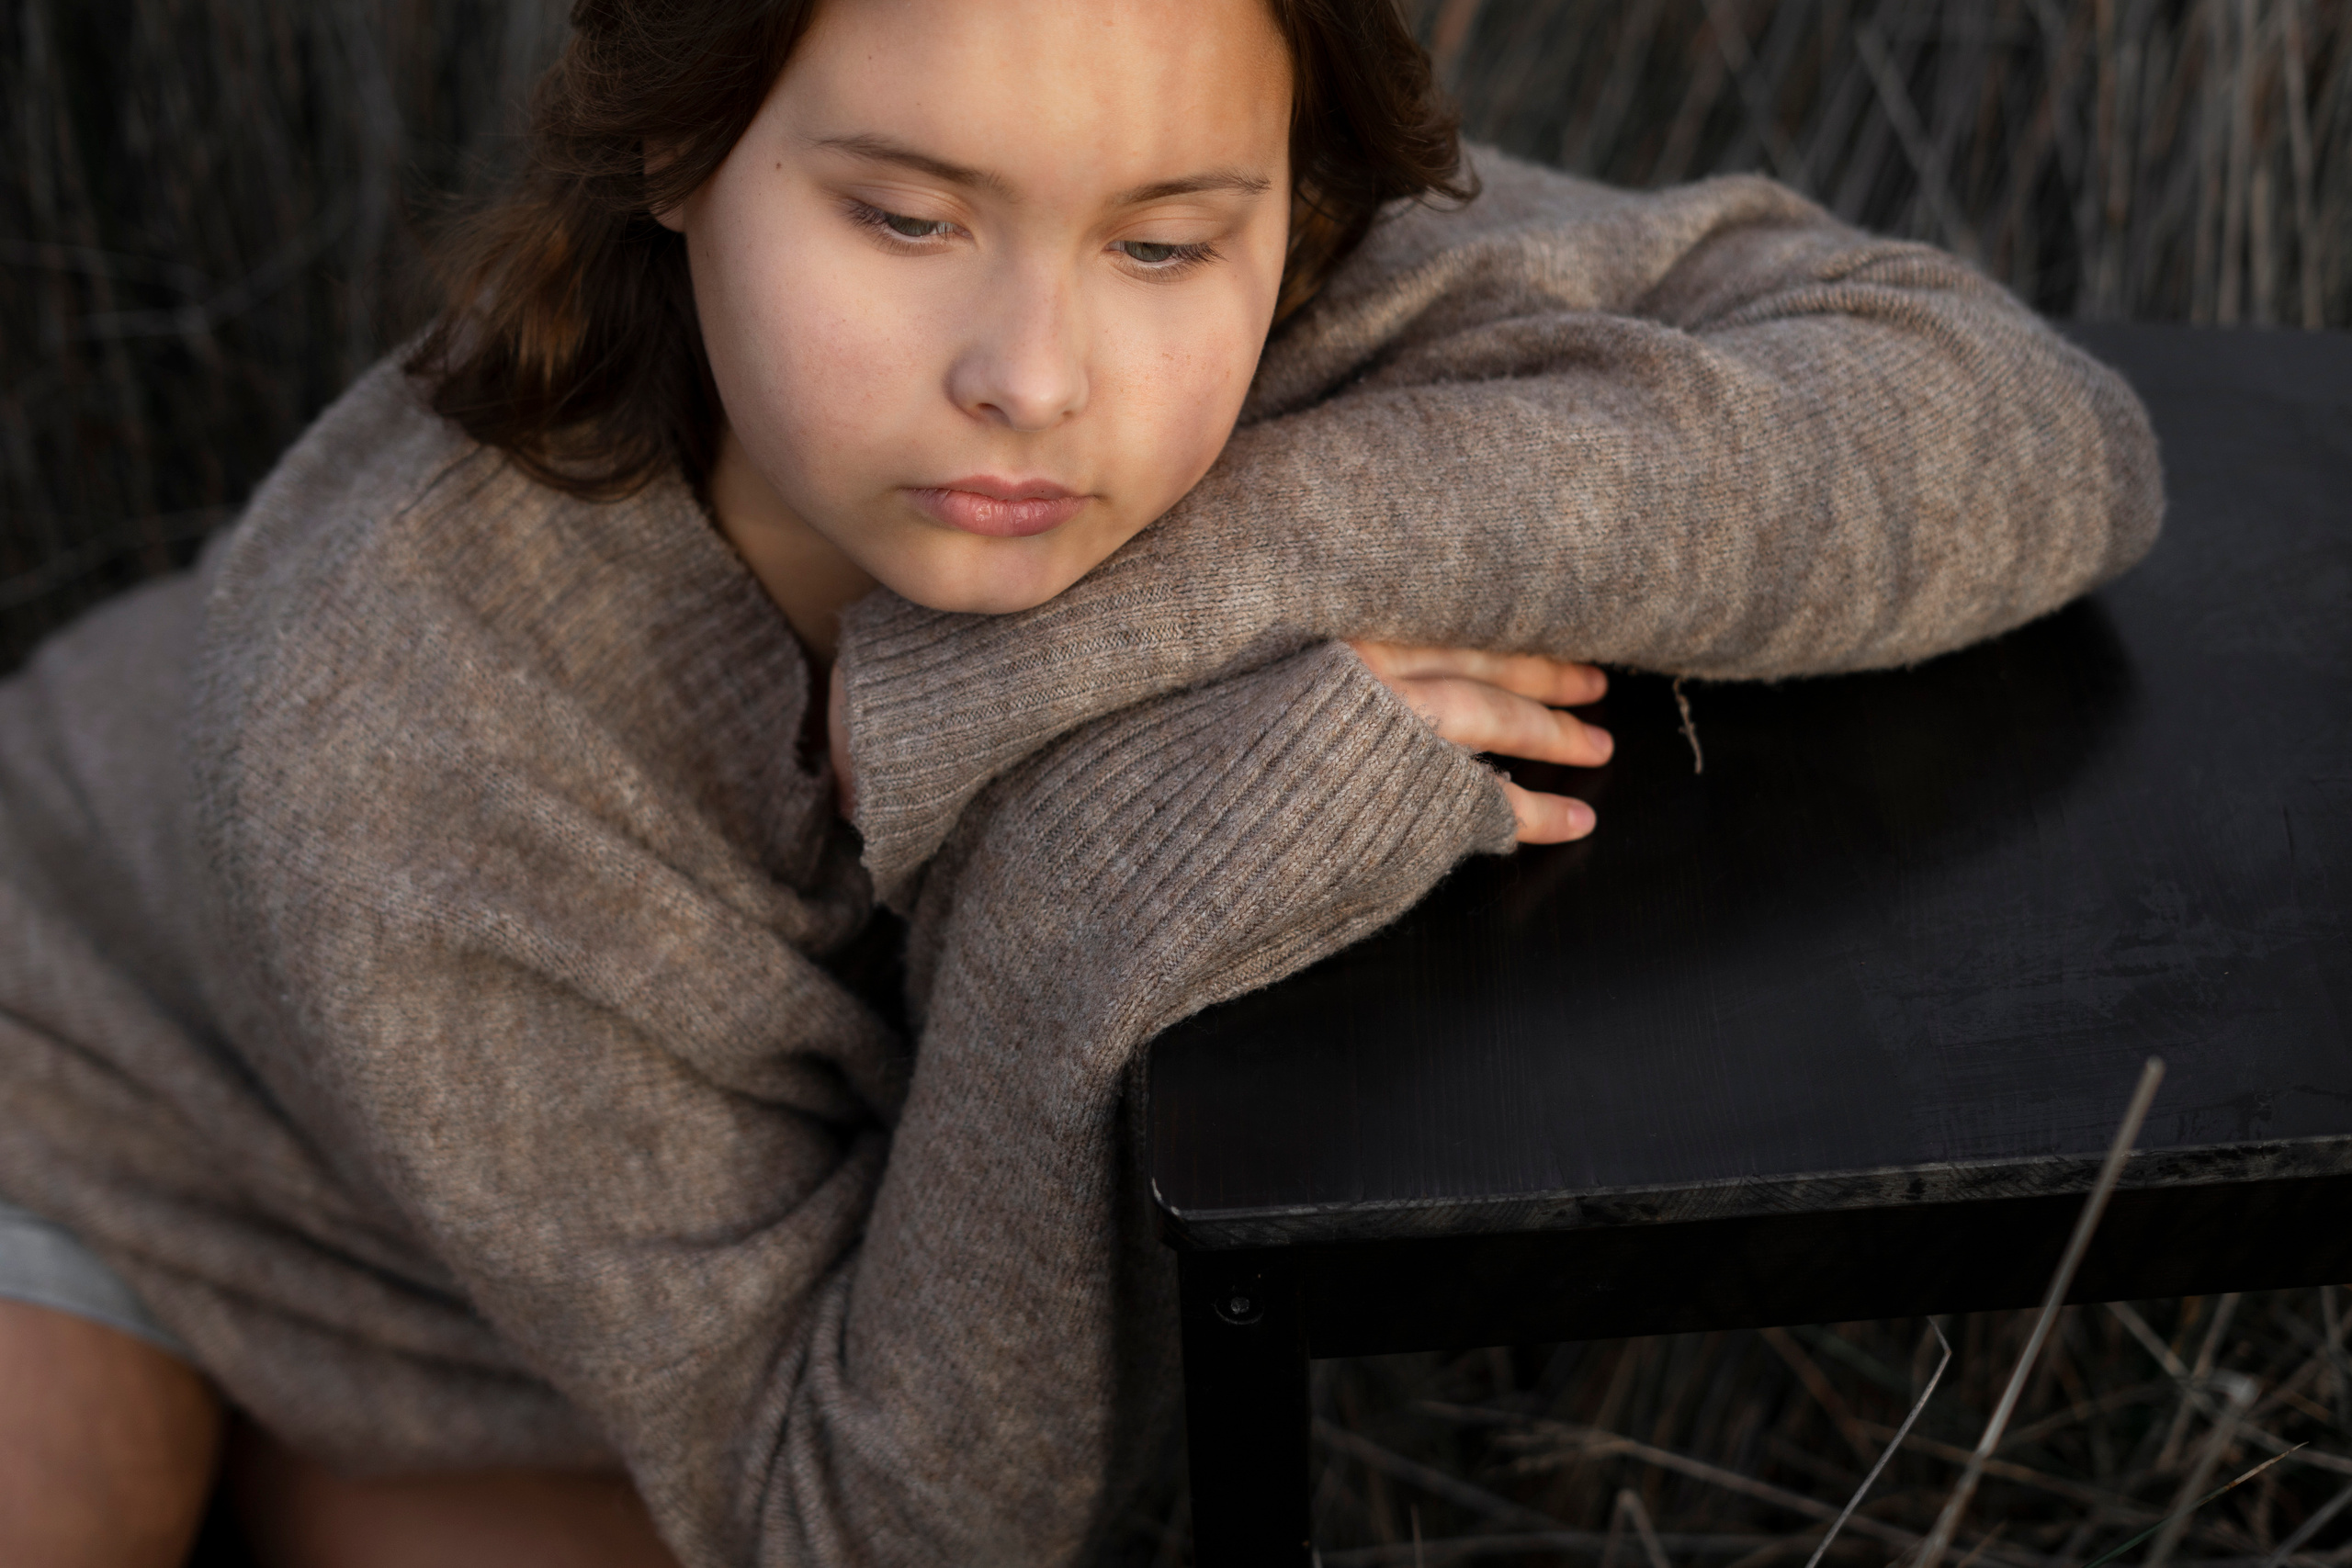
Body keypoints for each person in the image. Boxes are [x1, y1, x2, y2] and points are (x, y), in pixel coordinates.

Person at [0, 0, 2162, 1562]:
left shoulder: (1196, 153)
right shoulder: (398, 740)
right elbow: (869, 1523)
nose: (1032, 376)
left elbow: (2025, 430)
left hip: (600, 1287)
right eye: (904, 218)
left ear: (1290, 204)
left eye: (1158, 246)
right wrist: (1082, 918)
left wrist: (1052, 656)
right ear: (671, 151)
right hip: (99, 1072)